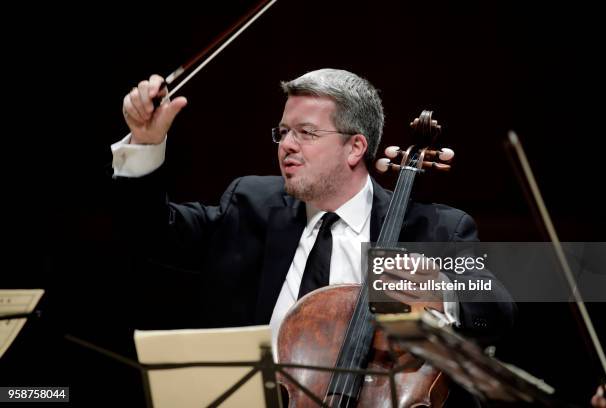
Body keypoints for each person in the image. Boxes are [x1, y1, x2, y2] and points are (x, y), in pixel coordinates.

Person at [111, 68, 515, 405]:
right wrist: (146, 145)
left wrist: (439, 287)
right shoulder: (251, 205)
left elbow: (499, 311)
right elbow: (151, 233)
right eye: (283, 132)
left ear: (355, 147)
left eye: (306, 133)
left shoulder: (431, 229)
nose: (286, 145)